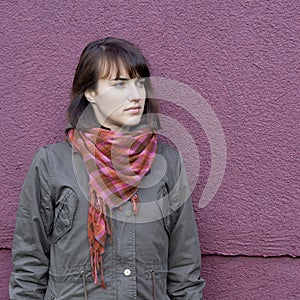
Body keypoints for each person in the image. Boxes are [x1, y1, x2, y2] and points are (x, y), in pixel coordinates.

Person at [9, 37, 205, 299]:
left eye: (139, 83)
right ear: (91, 92)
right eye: (119, 84)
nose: (135, 95)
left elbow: (185, 271)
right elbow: (29, 268)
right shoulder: (51, 164)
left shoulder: (167, 163)